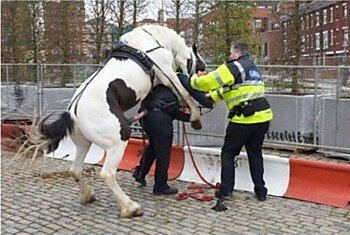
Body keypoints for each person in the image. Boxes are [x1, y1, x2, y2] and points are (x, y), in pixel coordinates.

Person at [190, 42, 273, 201]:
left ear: (236, 53)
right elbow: (231, 90)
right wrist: (211, 97)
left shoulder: (234, 66)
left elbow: (207, 82)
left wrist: (193, 79)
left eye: (230, 54)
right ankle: (261, 191)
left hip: (243, 119)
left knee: (228, 153)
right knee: (255, 154)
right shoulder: (252, 68)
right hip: (263, 117)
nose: (229, 57)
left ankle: (226, 190)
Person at [133, 73, 213, 195]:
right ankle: (160, 186)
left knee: (154, 147)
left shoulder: (166, 81)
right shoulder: (182, 78)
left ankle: (140, 173)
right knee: (163, 152)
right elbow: (195, 95)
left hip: (146, 115)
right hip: (159, 118)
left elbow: (172, 111)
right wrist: (209, 103)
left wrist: (190, 117)